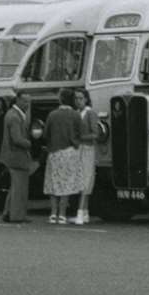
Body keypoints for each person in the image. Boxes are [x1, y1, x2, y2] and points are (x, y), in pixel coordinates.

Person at [43, 90, 83, 223]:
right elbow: (80, 133)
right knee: (66, 184)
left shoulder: (52, 115)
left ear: (60, 99)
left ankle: (53, 213)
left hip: (54, 151)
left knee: (53, 183)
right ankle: (62, 214)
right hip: (70, 151)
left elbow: (45, 134)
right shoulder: (76, 115)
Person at [0, 95, 33, 223]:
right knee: (20, 186)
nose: (27, 104)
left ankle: (7, 212)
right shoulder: (15, 117)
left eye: (28, 102)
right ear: (17, 100)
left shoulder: (11, 114)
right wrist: (29, 143)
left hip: (10, 155)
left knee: (14, 186)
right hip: (17, 156)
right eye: (24, 101)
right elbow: (17, 139)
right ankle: (17, 216)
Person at [74, 89, 101, 225]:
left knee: (86, 179)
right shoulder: (77, 113)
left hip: (88, 149)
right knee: (81, 179)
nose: (78, 101)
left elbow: (95, 134)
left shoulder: (90, 113)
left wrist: (80, 137)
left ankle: (80, 212)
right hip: (78, 149)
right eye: (76, 98)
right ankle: (85, 212)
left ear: (86, 99)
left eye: (80, 98)